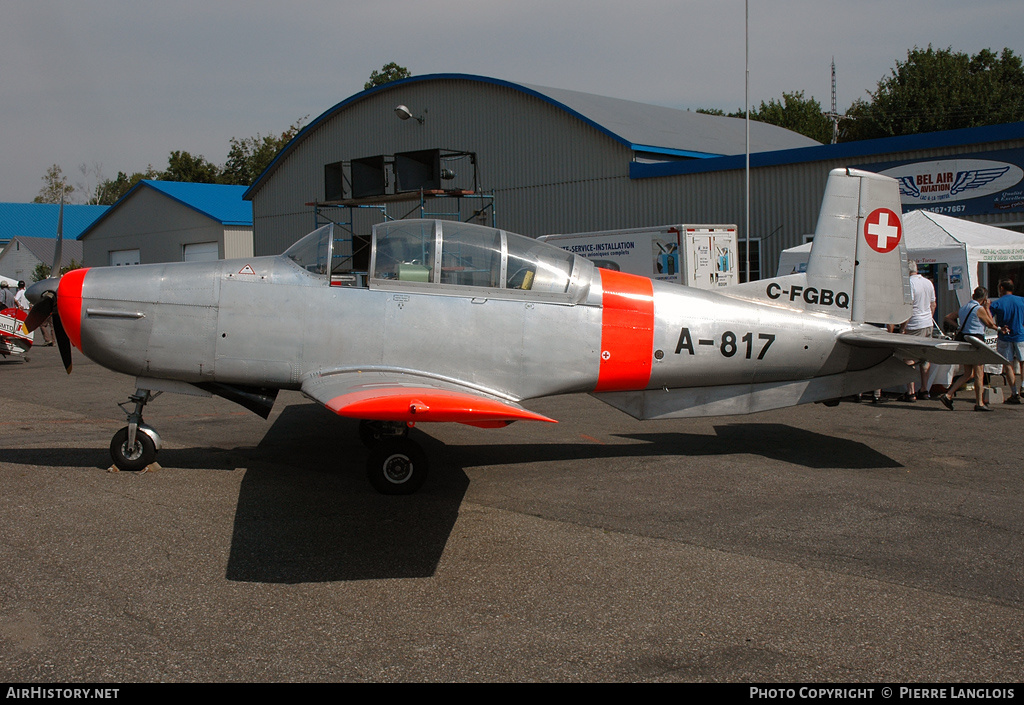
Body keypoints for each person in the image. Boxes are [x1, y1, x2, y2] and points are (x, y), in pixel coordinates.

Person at [940, 286, 1001, 411]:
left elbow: (947, 317)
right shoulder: (979, 309)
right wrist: (988, 308)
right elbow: (990, 323)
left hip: (965, 340)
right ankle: (979, 403)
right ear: (984, 298)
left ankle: (948, 394)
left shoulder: (964, 307)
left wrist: (958, 327)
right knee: (979, 374)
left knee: (968, 373)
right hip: (976, 341)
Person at [900, 261, 937, 401]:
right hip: (927, 323)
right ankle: (925, 389)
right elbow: (933, 303)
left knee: (909, 357)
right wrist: (929, 317)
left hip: (914, 324)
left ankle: (911, 391)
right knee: (924, 357)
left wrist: (903, 327)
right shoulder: (928, 283)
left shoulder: (909, 283)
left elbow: (908, 307)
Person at [987, 279, 1024, 404]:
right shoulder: (1021, 300)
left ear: (1001, 288)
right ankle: (1023, 385)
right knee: (1023, 362)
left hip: (1004, 336)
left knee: (1008, 364)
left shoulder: (997, 304)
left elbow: (988, 320)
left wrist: (997, 327)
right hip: (1020, 334)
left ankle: (1014, 392)